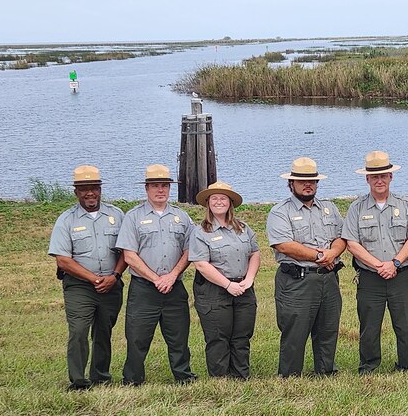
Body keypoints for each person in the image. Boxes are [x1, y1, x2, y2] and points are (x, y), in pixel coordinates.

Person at [342, 151, 408, 373]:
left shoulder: (405, 205)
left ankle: (407, 366)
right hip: (371, 277)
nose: (380, 180)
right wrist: (380, 266)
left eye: (384, 175)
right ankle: (369, 366)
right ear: (367, 179)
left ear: (391, 177)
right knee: (369, 326)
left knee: (404, 324)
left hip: (401, 274)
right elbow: (351, 242)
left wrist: (395, 263)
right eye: (374, 176)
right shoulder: (356, 208)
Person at [115, 164, 197, 384]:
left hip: (174, 287)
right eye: (155, 186)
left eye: (164, 186)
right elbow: (129, 255)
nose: (160, 190)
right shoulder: (132, 217)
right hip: (144, 288)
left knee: (179, 336)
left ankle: (183, 376)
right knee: (137, 337)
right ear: (146, 189)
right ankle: (132, 379)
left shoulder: (182, 217)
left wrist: (171, 276)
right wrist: (156, 279)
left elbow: (190, 250)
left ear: (170, 189)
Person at [266, 157, 346, 377]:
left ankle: (326, 371)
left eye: (312, 180)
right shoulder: (280, 212)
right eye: (301, 181)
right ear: (291, 184)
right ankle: (290, 376)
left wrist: (333, 253)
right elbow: (285, 245)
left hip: (328, 279)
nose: (307, 184)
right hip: (297, 281)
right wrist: (322, 255)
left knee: (328, 329)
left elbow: (342, 237)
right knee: (295, 331)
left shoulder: (329, 208)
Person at [48, 165, 125, 390]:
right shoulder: (66, 220)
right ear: (76, 193)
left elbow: (127, 251)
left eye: (93, 188)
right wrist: (93, 279)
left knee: (104, 331)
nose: (89, 193)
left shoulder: (117, 215)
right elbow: (62, 260)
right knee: (79, 331)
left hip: (111, 284)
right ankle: (79, 381)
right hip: (79, 286)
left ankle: (101, 376)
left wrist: (115, 275)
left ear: (100, 189)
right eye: (84, 189)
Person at [189, 181, 260, 379]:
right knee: (218, 337)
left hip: (243, 288)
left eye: (223, 198)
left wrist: (249, 280)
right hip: (214, 290)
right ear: (208, 203)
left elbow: (255, 253)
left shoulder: (243, 228)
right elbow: (201, 264)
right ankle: (219, 379)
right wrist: (228, 285)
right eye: (214, 198)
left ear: (230, 203)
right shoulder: (200, 232)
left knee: (241, 336)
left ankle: (240, 376)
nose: (219, 202)